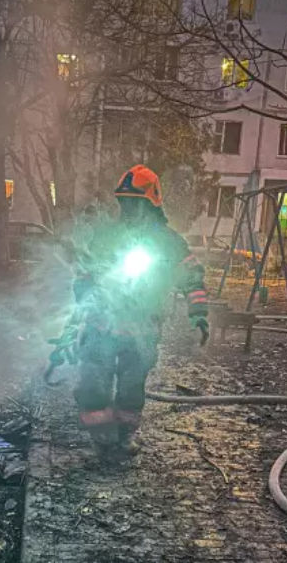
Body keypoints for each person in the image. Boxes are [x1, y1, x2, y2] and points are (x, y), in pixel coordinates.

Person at [72, 164, 189, 458]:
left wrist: (199, 312)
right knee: (92, 384)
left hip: (142, 330)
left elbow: (192, 275)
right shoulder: (107, 236)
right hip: (101, 326)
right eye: (125, 202)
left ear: (151, 203)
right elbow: (88, 269)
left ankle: (124, 437)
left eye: (136, 203)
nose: (129, 209)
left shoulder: (168, 241)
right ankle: (102, 438)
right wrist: (83, 288)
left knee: (130, 388)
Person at [183, 257, 209, 345]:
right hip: (202, 300)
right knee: (200, 315)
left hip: (194, 299)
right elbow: (206, 290)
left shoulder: (189, 275)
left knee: (193, 316)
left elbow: (185, 289)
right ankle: (204, 330)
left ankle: (191, 334)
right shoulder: (201, 280)